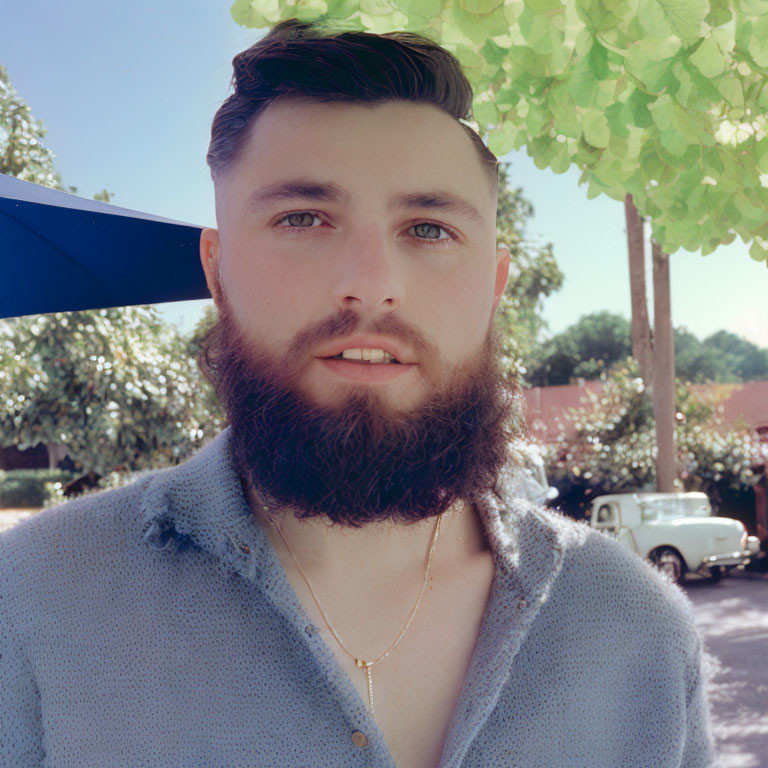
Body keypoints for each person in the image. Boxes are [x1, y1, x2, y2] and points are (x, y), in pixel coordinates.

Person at [0, 18, 715, 768]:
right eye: (303, 218)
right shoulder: (32, 603)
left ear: (494, 286)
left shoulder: (640, 633)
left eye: (429, 228)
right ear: (217, 271)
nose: (371, 285)